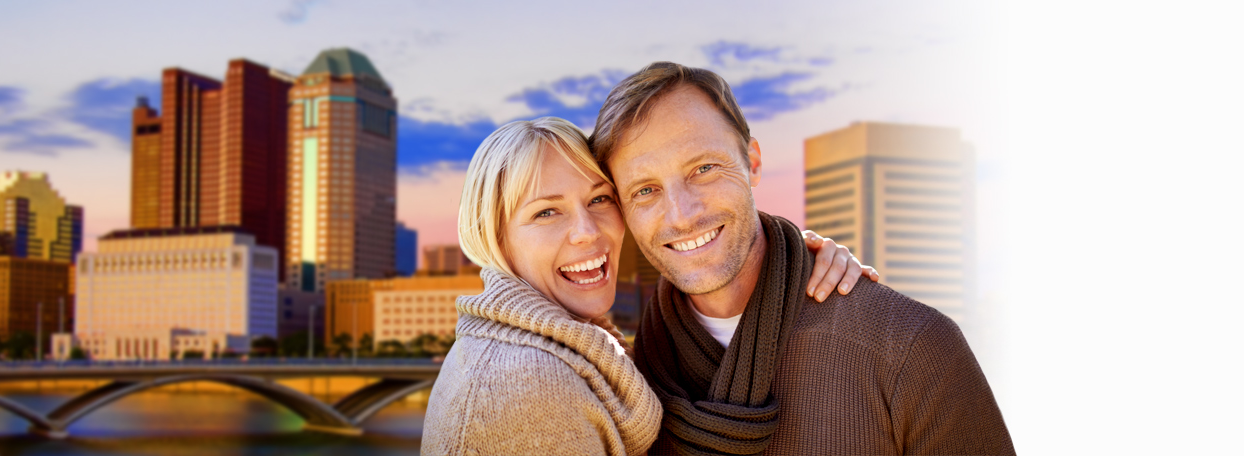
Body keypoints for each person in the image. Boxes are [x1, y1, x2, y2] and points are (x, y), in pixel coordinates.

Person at [589, 62, 1013, 455]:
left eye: (704, 168)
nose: (683, 215)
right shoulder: (628, 379)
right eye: (645, 190)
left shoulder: (911, 347)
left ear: (752, 162)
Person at [420, 117, 875, 455]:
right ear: (493, 236)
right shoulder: (526, 386)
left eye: (600, 199)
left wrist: (791, 260)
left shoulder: (568, 349)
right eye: (546, 212)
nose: (587, 231)